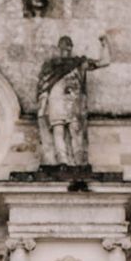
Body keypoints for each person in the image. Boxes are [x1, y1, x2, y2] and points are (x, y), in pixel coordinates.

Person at [37, 35, 110, 167]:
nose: (67, 50)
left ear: (71, 48)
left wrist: (104, 45)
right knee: (58, 129)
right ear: (59, 48)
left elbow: (104, 62)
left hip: (73, 101)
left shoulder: (79, 63)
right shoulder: (51, 65)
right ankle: (62, 160)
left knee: (75, 129)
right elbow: (43, 86)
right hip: (56, 100)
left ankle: (78, 161)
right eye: (64, 47)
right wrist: (42, 104)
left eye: (69, 47)